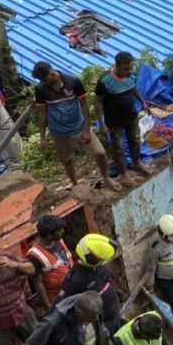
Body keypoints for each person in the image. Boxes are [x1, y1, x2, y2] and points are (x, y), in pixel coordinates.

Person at [32, 62, 118, 190]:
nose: (44, 82)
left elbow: (84, 105)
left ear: (52, 73)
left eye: (45, 79)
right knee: (66, 160)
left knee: (99, 152)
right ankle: (75, 184)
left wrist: (87, 130)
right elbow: (42, 113)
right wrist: (43, 138)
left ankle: (106, 178)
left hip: (78, 125)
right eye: (42, 80)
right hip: (58, 131)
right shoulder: (40, 89)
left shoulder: (73, 82)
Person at [94, 51, 150, 184]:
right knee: (118, 147)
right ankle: (124, 174)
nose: (129, 71)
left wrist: (142, 102)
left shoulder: (131, 76)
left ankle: (137, 163)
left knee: (135, 140)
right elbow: (98, 102)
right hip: (114, 121)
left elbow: (133, 89)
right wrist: (101, 123)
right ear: (117, 66)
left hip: (131, 116)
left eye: (131, 68)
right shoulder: (105, 80)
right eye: (126, 69)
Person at [140, 215, 173, 341]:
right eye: (172, 236)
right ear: (163, 234)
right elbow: (150, 269)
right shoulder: (155, 247)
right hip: (168, 282)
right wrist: (150, 287)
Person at [27, 214, 73, 312]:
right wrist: (48, 306)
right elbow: (38, 283)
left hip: (70, 290)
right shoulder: (35, 255)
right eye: (59, 230)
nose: (63, 232)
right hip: (57, 299)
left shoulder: (58, 240)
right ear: (49, 235)